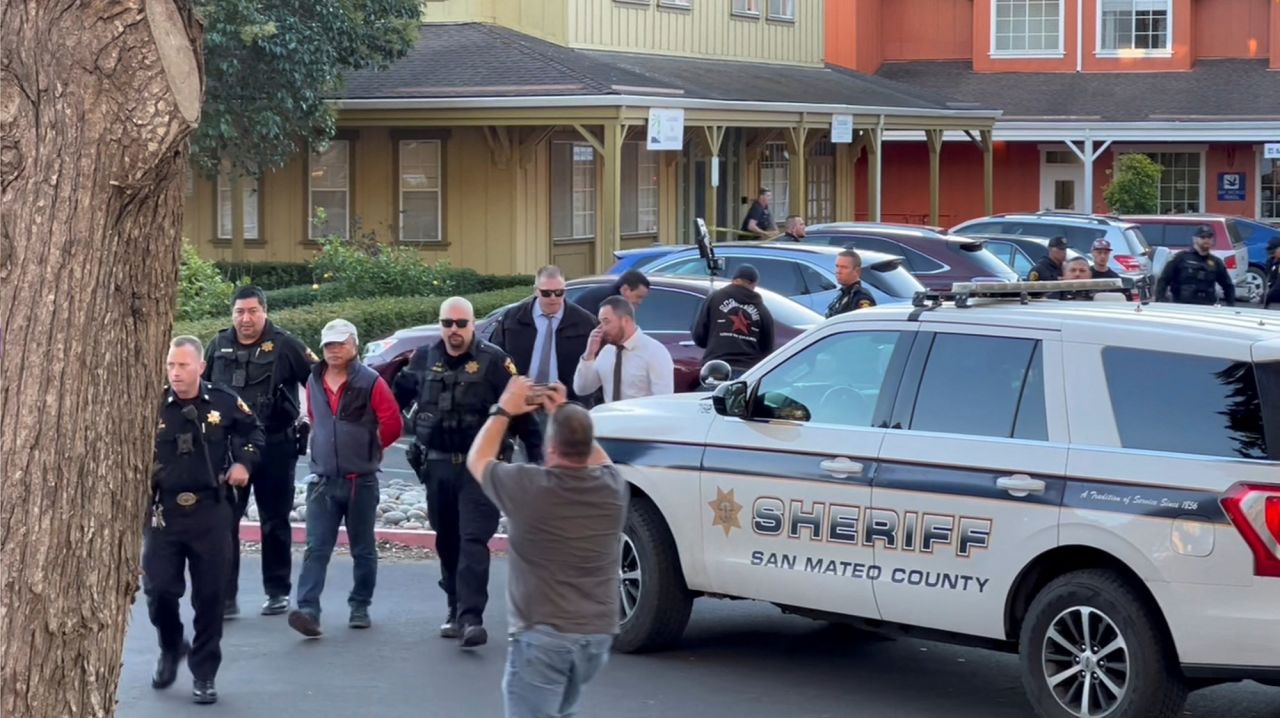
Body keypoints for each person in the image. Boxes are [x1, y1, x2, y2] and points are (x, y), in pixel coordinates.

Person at [465, 380, 625, 718]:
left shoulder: (528, 487)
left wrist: (504, 407)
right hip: (596, 636)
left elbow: (477, 459)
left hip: (544, 635)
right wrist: (564, 413)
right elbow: (598, 457)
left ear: (550, 448)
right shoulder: (613, 487)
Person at [396, 296, 544, 648]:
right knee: (447, 540)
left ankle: (471, 618)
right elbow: (395, 397)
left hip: (481, 468)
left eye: (461, 324)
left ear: (473, 325)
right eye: (447, 323)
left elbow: (524, 417)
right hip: (436, 466)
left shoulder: (495, 362)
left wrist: (539, 464)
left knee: (473, 540)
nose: (454, 331)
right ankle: (454, 605)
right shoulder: (423, 358)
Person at [147, 336, 264, 704]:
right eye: (171, 365)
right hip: (163, 512)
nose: (176, 373)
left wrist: (243, 463)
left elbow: (253, 432)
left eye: (183, 365)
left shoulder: (224, 401)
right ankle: (170, 645)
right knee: (160, 590)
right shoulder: (152, 404)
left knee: (210, 597)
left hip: (210, 510)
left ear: (200, 367)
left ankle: (204, 672)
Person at [203, 285, 316, 618]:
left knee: (274, 520)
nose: (246, 318)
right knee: (225, 522)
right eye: (239, 312)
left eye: (252, 311)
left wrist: (320, 425)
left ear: (264, 311)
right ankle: (225, 597)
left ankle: (277, 591)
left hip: (275, 445)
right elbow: (203, 389)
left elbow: (320, 380)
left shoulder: (286, 345)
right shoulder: (218, 345)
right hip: (231, 449)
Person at [288, 320, 402, 638]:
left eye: (340, 343)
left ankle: (360, 605)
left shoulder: (371, 381)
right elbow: (314, 416)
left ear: (354, 344)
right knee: (316, 548)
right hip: (323, 479)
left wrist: (373, 447)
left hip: (360, 480)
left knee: (363, 548)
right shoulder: (313, 380)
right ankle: (308, 609)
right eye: (328, 345)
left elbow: (392, 420)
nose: (333, 349)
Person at [490, 265, 597, 402]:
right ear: (536, 291)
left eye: (559, 292)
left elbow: (595, 366)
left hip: (566, 402)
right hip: (521, 401)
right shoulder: (513, 318)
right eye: (546, 293)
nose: (553, 298)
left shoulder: (585, 322)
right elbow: (497, 357)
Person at [574, 296, 674, 403]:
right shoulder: (607, 351)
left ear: (625, 320)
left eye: (606, 322)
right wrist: (589, 354)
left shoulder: (655, 352)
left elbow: (663, 400)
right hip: (610, 416)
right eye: (600, 323)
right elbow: (582, 389)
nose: (602, 328)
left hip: (641, 418)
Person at [692, 264, 775, 377]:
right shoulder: (762, 309)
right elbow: (768, 348)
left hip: (715, 368)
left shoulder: (715, 298)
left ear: (734, 280)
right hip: (747, 371)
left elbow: (699, 336)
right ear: (754, 283)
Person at [1156, 225, 1236, 306]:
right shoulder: (1180, 258)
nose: (1206, 240)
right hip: (1182, 307)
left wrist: (1230, 306)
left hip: (1207, 307)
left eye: (1209, 237)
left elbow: (1228, 285)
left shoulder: (1216, 262)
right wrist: (1160, 301)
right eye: (1202, 237)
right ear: (1194, 239)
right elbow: (1163, 280)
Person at [573, 269, 651, 318]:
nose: (640, 302)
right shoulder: (610, 300)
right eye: (638, 297)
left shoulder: (611, 294)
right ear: (625, 289)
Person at [825, 249, 876, 318]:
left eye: (844, 267)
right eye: (837, 266)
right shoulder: (843, 294)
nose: (838, 271)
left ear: (857, 271)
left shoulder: (861, 298)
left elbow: (864, 325)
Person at [1264, 238, 1280, 309]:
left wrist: (1268, 297)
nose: (1271, 254)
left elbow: (1278, 285)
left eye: (1273, 252)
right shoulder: (1271, 261)